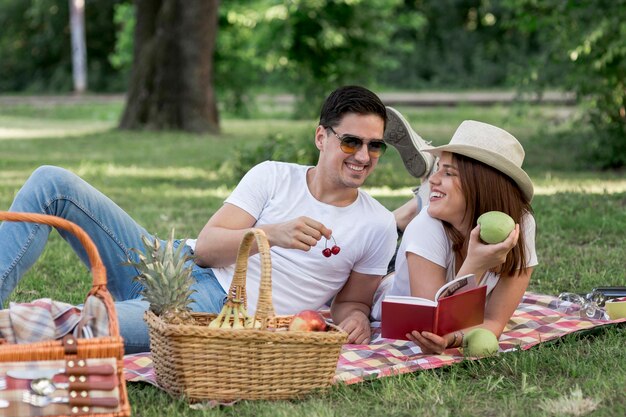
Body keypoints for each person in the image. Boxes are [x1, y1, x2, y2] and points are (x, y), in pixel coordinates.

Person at [0, 85, 398, 353]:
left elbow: (352, 304)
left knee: (88, 328)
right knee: (51, 181)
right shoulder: (273, 175)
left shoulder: (376, 225)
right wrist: (271, 235)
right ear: (321, 137)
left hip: (215, 311)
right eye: (351, 141)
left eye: (374, 146)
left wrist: (358, 319)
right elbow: (207, 251)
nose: (363, 156)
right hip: (171, 263)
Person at [376, 116, 537, 354]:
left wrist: (453, 341)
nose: (435, 179)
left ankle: (420, 199)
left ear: (482, 185)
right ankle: (410, 210)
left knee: (429, 200)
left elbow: (493, 321)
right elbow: (435, 325)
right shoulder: (425, 228)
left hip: (434, 250)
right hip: (384, 276)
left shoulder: (520, 224)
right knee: (378, 236)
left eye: (449, 173)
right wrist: (475, 264)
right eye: (438, 170)